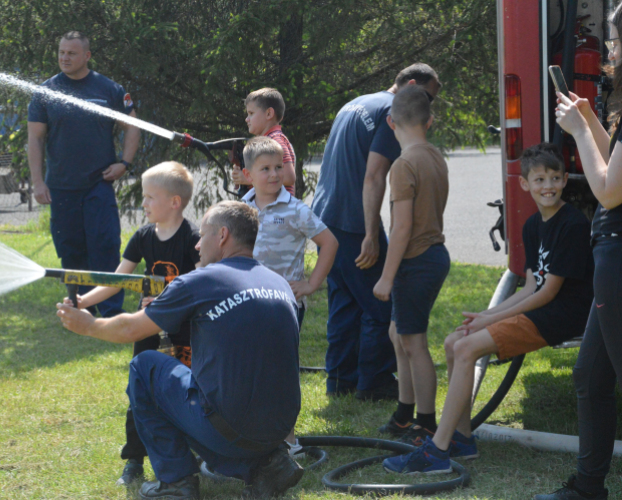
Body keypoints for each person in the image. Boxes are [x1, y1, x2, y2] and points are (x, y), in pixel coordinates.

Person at [56, 201, 304, 500]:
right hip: (280, 429)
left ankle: (176, 482)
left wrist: (88, 326)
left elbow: (131, 330)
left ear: (222, 235)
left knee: (145, 367)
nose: (198, 245)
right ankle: (268, 464)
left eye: (203, 235)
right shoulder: (278, 283)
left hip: (232, 431)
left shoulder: (202, 280)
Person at [383, 143, 594, 476]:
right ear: (525, 184)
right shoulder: (532, 226)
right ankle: (463, 439)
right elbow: (527, 287)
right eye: (539, 180)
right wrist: (484, 317)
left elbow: (549, 292)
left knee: (466, 347)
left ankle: (436, 451)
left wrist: (493, 318)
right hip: (542, 307)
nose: (548, 186)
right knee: (455, 341)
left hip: (564, 314)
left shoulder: (573, 225)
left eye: (555, 178)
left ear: (566, 180)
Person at [311, 63, 442, 400]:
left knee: (345, 302)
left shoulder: (358, 102)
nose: (427, 108)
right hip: (353, 222)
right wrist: (370, 233)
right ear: (411, 85)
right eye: (427, 97)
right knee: (380, 305)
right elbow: (374, 176)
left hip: (326, 215)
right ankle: (376, 383)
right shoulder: (390, 111)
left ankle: (340, 382)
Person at [70, 161, 201, 486]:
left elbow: (203, 282)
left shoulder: (193, 237)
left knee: (189, 391)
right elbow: (117, 280)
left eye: (149, 197)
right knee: (139, 394)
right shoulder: (142, 237)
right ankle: (134, 461)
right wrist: (84, 301)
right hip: (149, 328)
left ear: (174, 202)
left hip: (186, 331)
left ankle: (195, 452)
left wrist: (168, 296)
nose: (142, 203)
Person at [537, 4, 622, 498]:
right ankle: (588, 487)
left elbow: (610, 190)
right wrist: (590, 121)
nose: (610, 50)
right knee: (590, 375)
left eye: (614, 41)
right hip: (610, 249)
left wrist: (573, 132)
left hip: (618, 249)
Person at [28, 31, 140, 318]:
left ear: (87, 56)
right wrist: (38, 181)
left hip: (98, 183)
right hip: (61, 186)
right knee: (70, 249)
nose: (65, 57)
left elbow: (133, 127)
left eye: (72, 53)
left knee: (104, 245)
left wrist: (124, 163)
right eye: (62, 52)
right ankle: (76, 306)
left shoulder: (110, 89)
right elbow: (36, 139)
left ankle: (111, 312)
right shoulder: (45, 91)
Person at [240, 136, 338, 457]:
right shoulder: (242, 211)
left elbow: (329, 243)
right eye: (265, 168)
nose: (273, 174)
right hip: (247, 304)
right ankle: (252, 434)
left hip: (285, 306)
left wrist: (310, 284)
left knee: (281, 372)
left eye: (278, 167)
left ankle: (288, 440)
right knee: (251, 368)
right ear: (247, 174)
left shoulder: (296, 210)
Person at [371, 86, 450, 443]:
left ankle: (426, 423)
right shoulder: (434, 156)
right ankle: (404, 414)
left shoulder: (403, 165)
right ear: (429, 121)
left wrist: (387, 277)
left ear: (391, 122)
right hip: (433, 256)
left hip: (416, 261)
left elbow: (401, 227)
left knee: (414, 342)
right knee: (397, 334)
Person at [232, 88, 297, 196]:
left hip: (278, 210)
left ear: (268, 114)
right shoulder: (268, 140)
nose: (247, 119)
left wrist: (248, 179)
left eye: (251, 113)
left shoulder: (275, 140)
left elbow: (289, 177)